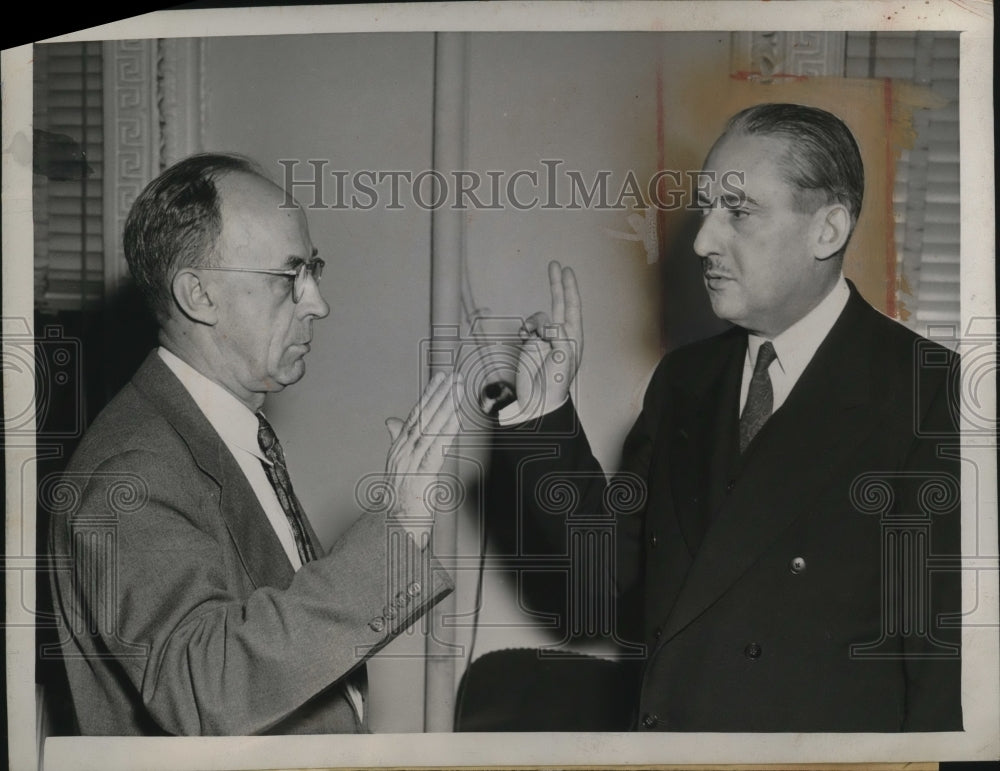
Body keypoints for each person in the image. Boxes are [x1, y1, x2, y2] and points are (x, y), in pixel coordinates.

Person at [488, 103, 962, 731]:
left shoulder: (932, 395)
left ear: (828, 230)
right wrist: (546, 416)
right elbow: (607, 585)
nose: (703, 240)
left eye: (738, 213)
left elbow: (942, 675)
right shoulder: (686, 381)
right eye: (707, 210)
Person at [48, 153, 461, 735]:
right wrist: (394, 538)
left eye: (315, 269)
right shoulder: (133, 470)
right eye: (290, 276)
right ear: (199, 295)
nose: (318, 302)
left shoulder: (224, 434)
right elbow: (202, 688)